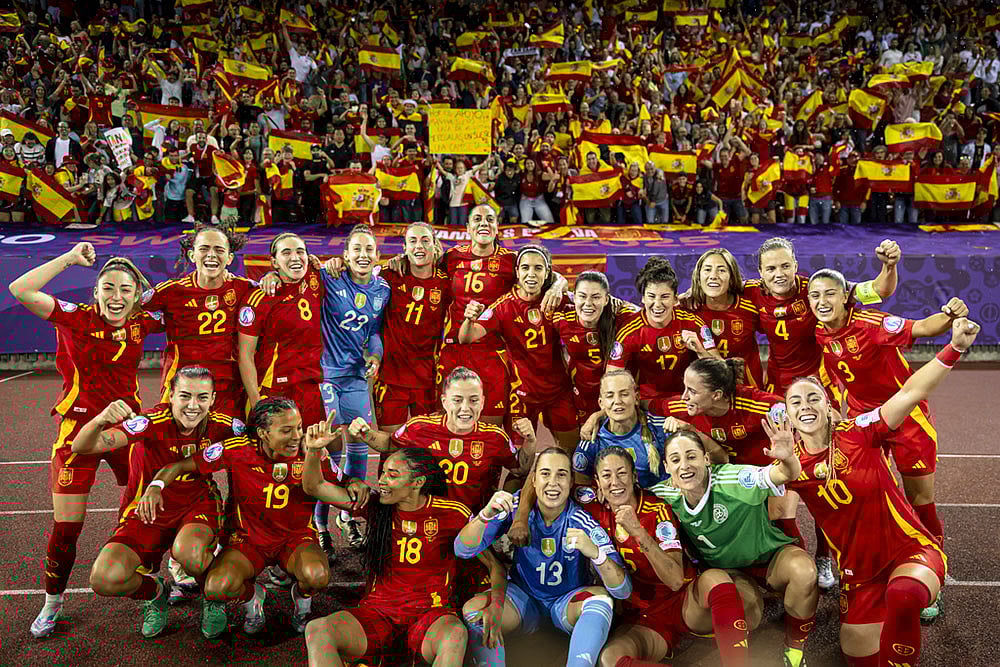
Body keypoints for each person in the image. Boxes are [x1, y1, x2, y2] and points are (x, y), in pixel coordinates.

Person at [771, 318, 980, 666]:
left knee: (903, 595)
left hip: (909, 550)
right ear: (788, 416)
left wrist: (955, 347)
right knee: (858, 657)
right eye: (795, 402)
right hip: (858, 575)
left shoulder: (859, 431)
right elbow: (778, 498)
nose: (805, 405)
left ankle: (920, 592)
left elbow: (910, 393)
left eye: (813, 398)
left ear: (828, 406)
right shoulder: (789, 463)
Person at [8, 243, 163, 639]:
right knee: (66, 526)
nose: (116, 296)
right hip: (77, 428)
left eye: (125, 289)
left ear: (136, 294)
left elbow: (190, 306)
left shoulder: (142, 322)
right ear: (96, 292)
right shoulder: (76, 318)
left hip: (126, 430)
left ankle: (154, 587)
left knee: (149, 511)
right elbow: (20, 290)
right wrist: (70, 259)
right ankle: (52, 601)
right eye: (108, 288)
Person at [808, 268, 969, 620]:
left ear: (846, 297)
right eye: (815, 296)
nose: (822, 301)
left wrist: (950, 315)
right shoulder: (819, 330)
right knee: (853, 492)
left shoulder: (870, 323)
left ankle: (932, 572)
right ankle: (851, 563)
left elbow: (922, 327)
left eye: (829, 294)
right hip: (864, 420)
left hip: (906, 417)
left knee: (919, 499)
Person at [137, 398, 362, 635]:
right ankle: (253, 598)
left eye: (298, 427)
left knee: (316, 576)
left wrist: (354, 482)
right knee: (216, 588)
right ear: (263, 433)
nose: (297, 436)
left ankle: (302, 601)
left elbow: (342, 480)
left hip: (295, 538)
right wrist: (155, 486)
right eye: (286, 430)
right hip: (247, 540)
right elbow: (181, 466)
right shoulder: (238, 449)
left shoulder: (311, 450)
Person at [70, 367, 240, 639]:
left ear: (213, 399)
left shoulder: (224, 424)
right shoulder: (151, 422)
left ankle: (212, 598)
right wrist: (100, 419)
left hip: (197, 505)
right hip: (149, 510)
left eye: (202, 397)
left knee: (191, 554)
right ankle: (157, 592)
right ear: (170, 395)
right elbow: (82, 446)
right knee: (104, 578)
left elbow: (265, 439)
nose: (193, 406)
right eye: (185, 396)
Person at [650, 430, 819, 667]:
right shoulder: (663, 494)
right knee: (750, 615)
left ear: (706, 459)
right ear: (667, 467)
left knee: (804, 572)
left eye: (691, 456)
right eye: (676, 460)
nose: (684, 466)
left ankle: (794, 649)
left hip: (769, 557)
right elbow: (631, 501)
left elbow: (784, 473)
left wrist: (788, 458)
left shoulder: (734, 479)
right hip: (731, 572)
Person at [456, 447, 633, 667]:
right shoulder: (513, 507)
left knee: (600, 600)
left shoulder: (582, 520)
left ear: (571, 482)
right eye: (545, 473)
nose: (553, 482)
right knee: (474, 611)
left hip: (566, 603)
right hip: (523, 600)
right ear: (533, 480)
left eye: (561, 474)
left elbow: (623, 590)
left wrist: (596, 554)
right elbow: (462, 549)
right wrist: (485, 515)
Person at [580, 446, 755, 667]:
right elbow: (552, 486)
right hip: (644, 618)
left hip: (683, 603)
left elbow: (675, 580)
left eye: (622, 473)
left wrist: (638, 532)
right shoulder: (593, 508)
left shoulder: (656, 510)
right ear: (597, 481)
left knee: (716, 579)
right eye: (606, 475)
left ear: (634, 477)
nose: (615, 482)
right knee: (610, 659)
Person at [304, 447, 472, 667]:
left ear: (417, 482)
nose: (381, 480)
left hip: (429, 616)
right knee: (317, 630)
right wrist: (314, 449)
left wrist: (496, 600)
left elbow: (490, 562)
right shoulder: (375, 505)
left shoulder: (453, 513)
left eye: (392, 475)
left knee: (455, 634)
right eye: (382, 472)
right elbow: (314, 487)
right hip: (378, 615)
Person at [436, 204, 563, 426]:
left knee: (490, 427)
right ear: (467, 227)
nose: (483, 223)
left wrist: (557, 287)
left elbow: (549, 272)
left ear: (497, 228)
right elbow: (422, 268)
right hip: (454, 349)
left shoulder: (510, 260)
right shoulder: (452, 256)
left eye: (489, 219)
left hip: (492, 353)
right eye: (477, 219)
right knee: (450, 421)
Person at [458, 244, 580, 455]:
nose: (531, 274)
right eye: (525, 268)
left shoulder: (557, 299)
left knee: (573, 452)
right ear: (517, 272)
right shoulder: (504, 306)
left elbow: (590, 302)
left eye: (538, 268)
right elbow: (466, 337)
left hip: (559, 392)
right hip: (523, 395)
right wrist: (469, 319)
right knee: (519, 463)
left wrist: (560, 286)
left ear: (547, 273)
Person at [313, 223, 390, 551]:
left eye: (368, 249)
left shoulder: (382, 290)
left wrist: (375, 355)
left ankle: (347, 515)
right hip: (326, 377)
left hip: (357, 378)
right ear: (344, 255)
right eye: (356, 249)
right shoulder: (329, 278)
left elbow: (374, 332)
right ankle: (319, 525)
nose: (362, 254)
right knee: (330, 454)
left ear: (377, 255)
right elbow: (298, 271)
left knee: (359, 445)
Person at [142, 222, 253, 417]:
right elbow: (129, 308)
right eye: (204, 249)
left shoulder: (245, 288)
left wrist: (273, 277)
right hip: (182, 384)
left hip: (227, 386)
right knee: (174, 434)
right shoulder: (171, 291)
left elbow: (279, 292)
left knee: (228, 436)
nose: (211, 255)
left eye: (219, 250)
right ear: (192, 255)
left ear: (229, 258)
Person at [237, 232, 325, 428]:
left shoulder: (315, 277)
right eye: (286, 253)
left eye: (300, 252)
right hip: (275, 389)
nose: (295, 257)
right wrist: (256, 403)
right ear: (274, 262)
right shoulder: (259, 298)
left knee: (317, 442)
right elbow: (245, 356)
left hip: (310, 385)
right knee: (278, 444)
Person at [608, 256, 719, 400]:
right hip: (647, 402)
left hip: (688, 400)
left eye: (665, 297)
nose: (657, 304)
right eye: (651, 296)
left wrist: (700, 351)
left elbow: (720, 371)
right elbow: (610, 378)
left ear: (675, 299)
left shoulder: (693, 323)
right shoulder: (630, 331)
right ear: (643, 298)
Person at [552, 271, 639, 425]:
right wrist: (557, 285)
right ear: (574, 297)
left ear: (606, 299)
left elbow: (653, 312)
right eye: (582, 296)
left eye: (596, 297)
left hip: (619, 398)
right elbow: (544, 278)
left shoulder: (622, 316)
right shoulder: (562, 317)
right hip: (582, 397)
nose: (588, 303)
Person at [684, 248, 764, 388]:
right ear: (698, 276)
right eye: (707, 269)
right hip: (705, 391)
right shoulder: (688, 309)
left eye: (721, 270)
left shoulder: (750, 306)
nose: (713, 276)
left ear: (732, 276)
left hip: (746, 389)